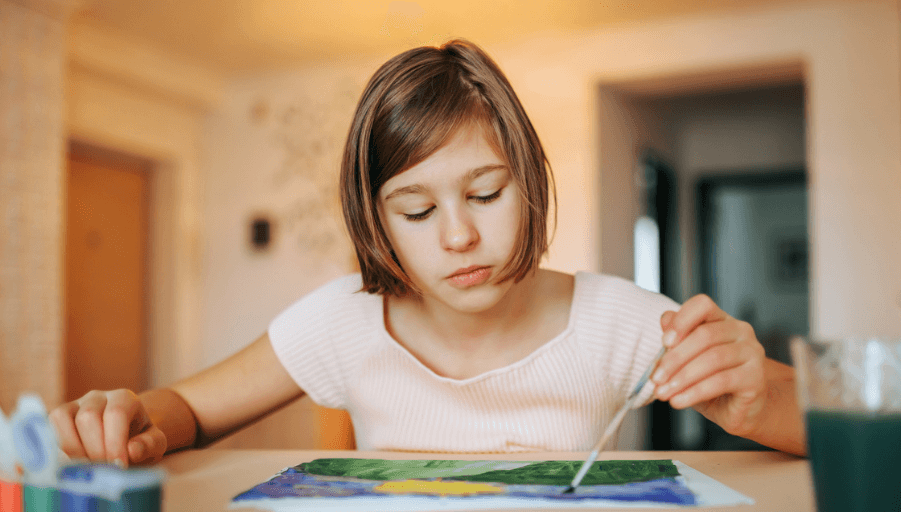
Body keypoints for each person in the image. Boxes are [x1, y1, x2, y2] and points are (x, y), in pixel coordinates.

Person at [49, 40, 806, 466]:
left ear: (529, 184)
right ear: (375, 219)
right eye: (416, 209)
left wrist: (761, 397)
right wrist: (127, 413)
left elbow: (823, 425)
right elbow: (187, 409)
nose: (458, 237)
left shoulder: (618, 319)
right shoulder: (343, 321)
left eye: (485, 195)